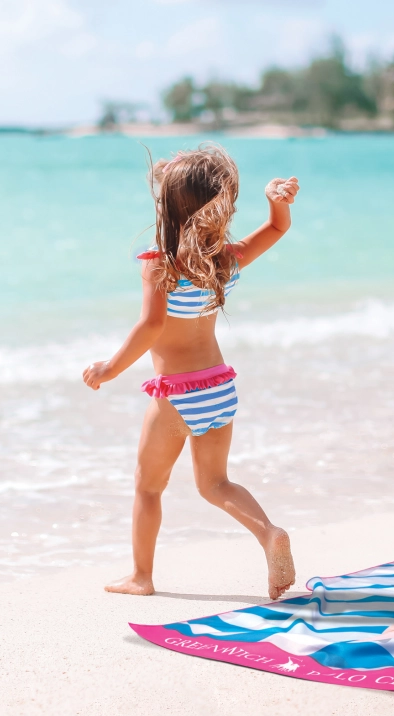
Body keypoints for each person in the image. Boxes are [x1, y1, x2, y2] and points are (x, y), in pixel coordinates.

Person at [83, 144, 299, 599]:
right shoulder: (226, 260)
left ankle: (141, 577)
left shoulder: (160, 263)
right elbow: (278, 227)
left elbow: (151, 326)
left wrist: (109, 368)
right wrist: (276, 203)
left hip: (176, 396)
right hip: (220, 387)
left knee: (148, 487)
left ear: (167, 207)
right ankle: (269, 533)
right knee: (215, 483)